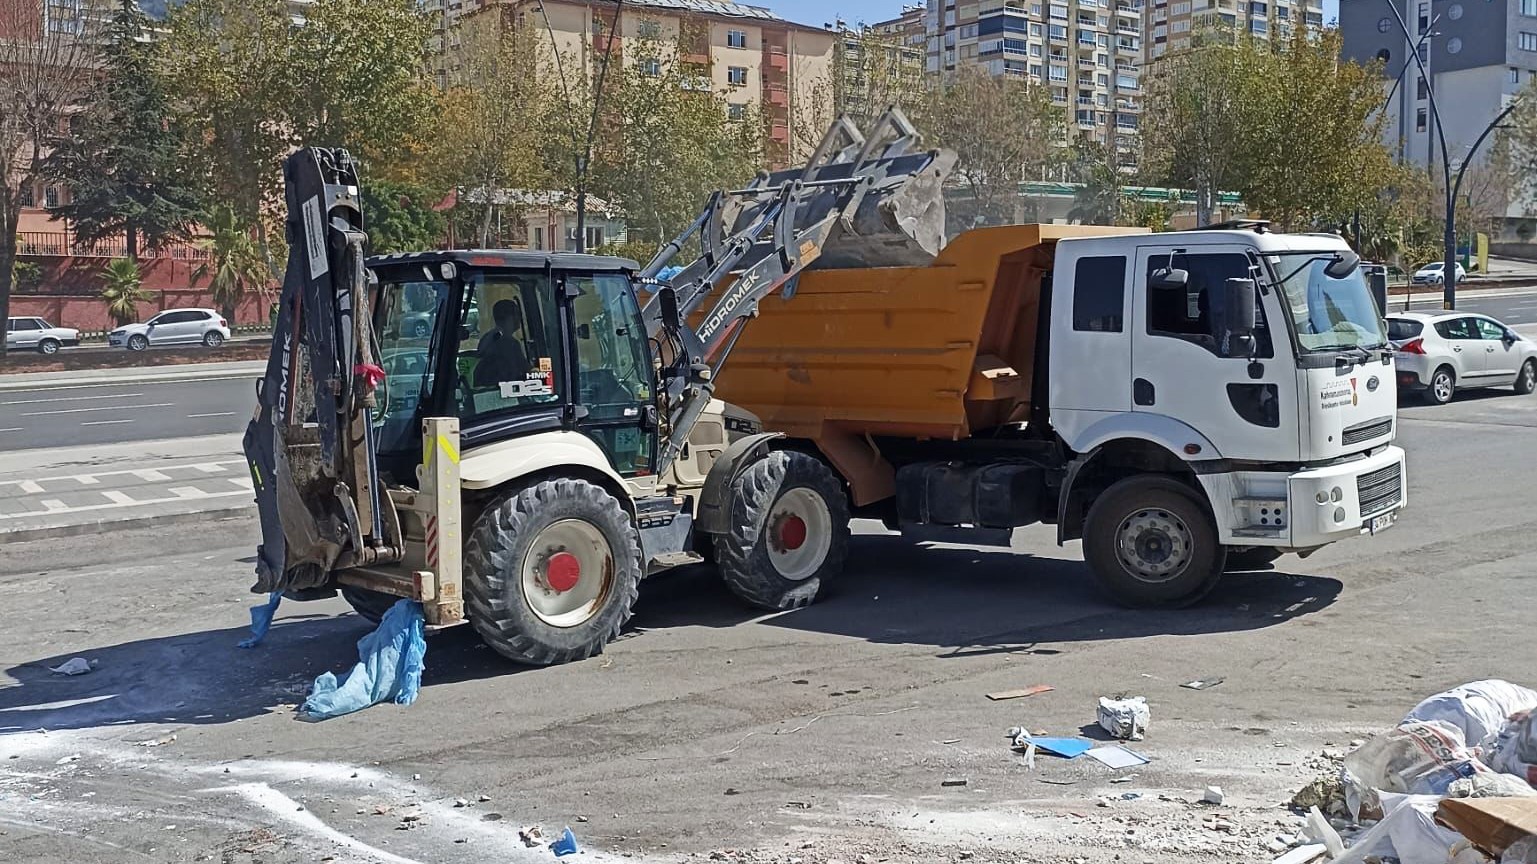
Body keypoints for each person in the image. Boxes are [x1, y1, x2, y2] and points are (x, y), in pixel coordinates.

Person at [474, 298, 530, 388]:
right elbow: (523, 371)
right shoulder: (509, 343)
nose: (520, 318)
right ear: (509, 317)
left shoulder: (488, 338)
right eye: (517, 314)